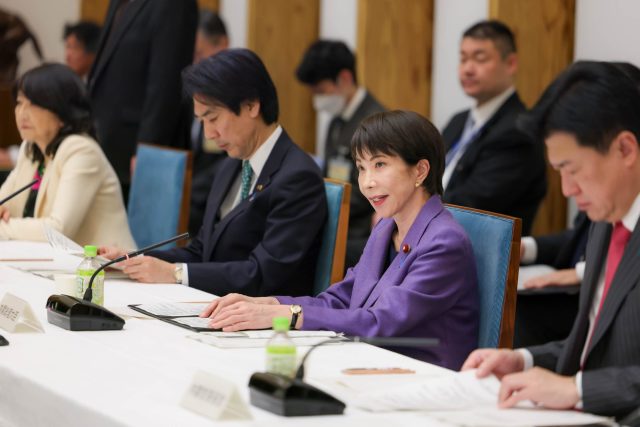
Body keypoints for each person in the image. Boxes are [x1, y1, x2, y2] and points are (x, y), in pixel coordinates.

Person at [200, 110, 480, 369]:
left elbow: (381, 322)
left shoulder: (444, 243)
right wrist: (268, 305)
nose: (367, 182)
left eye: (380, 164)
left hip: (423, 377)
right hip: (370, 363)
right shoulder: (386, 228)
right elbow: (339, 299)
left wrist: (288, 316)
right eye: (361, 167)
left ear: (420, 171)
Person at [461, 61, 640, 420]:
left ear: (625, 149)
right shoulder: (606, 221)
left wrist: (576, 390)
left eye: (572, 170)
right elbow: (595, 349)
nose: (567, 190)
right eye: (558, 172)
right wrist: (523, 360)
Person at [100, 49, 327, 298]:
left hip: (260, 315)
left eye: (214, 118)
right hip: (213, 304)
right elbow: (202, 251)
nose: (209, 134)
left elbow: (261, 274)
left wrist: (175, 273)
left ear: (251, 105)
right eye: (202, 122)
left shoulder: (298, 177)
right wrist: (134, 259)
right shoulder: (231, 165)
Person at [0, 63, 134, 248]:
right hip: (53, 261)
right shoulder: (31, 148)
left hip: (104, 263)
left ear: (62, 112)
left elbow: (58, 230)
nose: (22, 113)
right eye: (20, 102)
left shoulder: (82, 151)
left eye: (33, 104)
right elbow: (4, 204)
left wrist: (3, 227)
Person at [441, 20, 546, 235]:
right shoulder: (458, 121)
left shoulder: (518, 131)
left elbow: (470, 207)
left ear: (511, 64)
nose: (468, 69)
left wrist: (408, 208)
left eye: (480, 58)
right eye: (463, 59)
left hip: (473, 247)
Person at [88, 0, 198, 200]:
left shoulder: (174, 5)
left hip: (137, 152)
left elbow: (166, 83)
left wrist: (148, 149)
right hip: (106, 143)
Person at [296, 40, 386, 269]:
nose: (317, 99)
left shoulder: (375, 122)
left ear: (344, 78)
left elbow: (370, 189)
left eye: (321, 91)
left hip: (358, 230)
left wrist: (317, 205)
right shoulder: (336, 121)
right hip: (334, 218)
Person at [188, 10, 229, 236]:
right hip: (194, 194)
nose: (196, 62)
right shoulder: (193, 88)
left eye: (200, 54)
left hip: (212, 196)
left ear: (222, 44)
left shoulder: (234, 90)